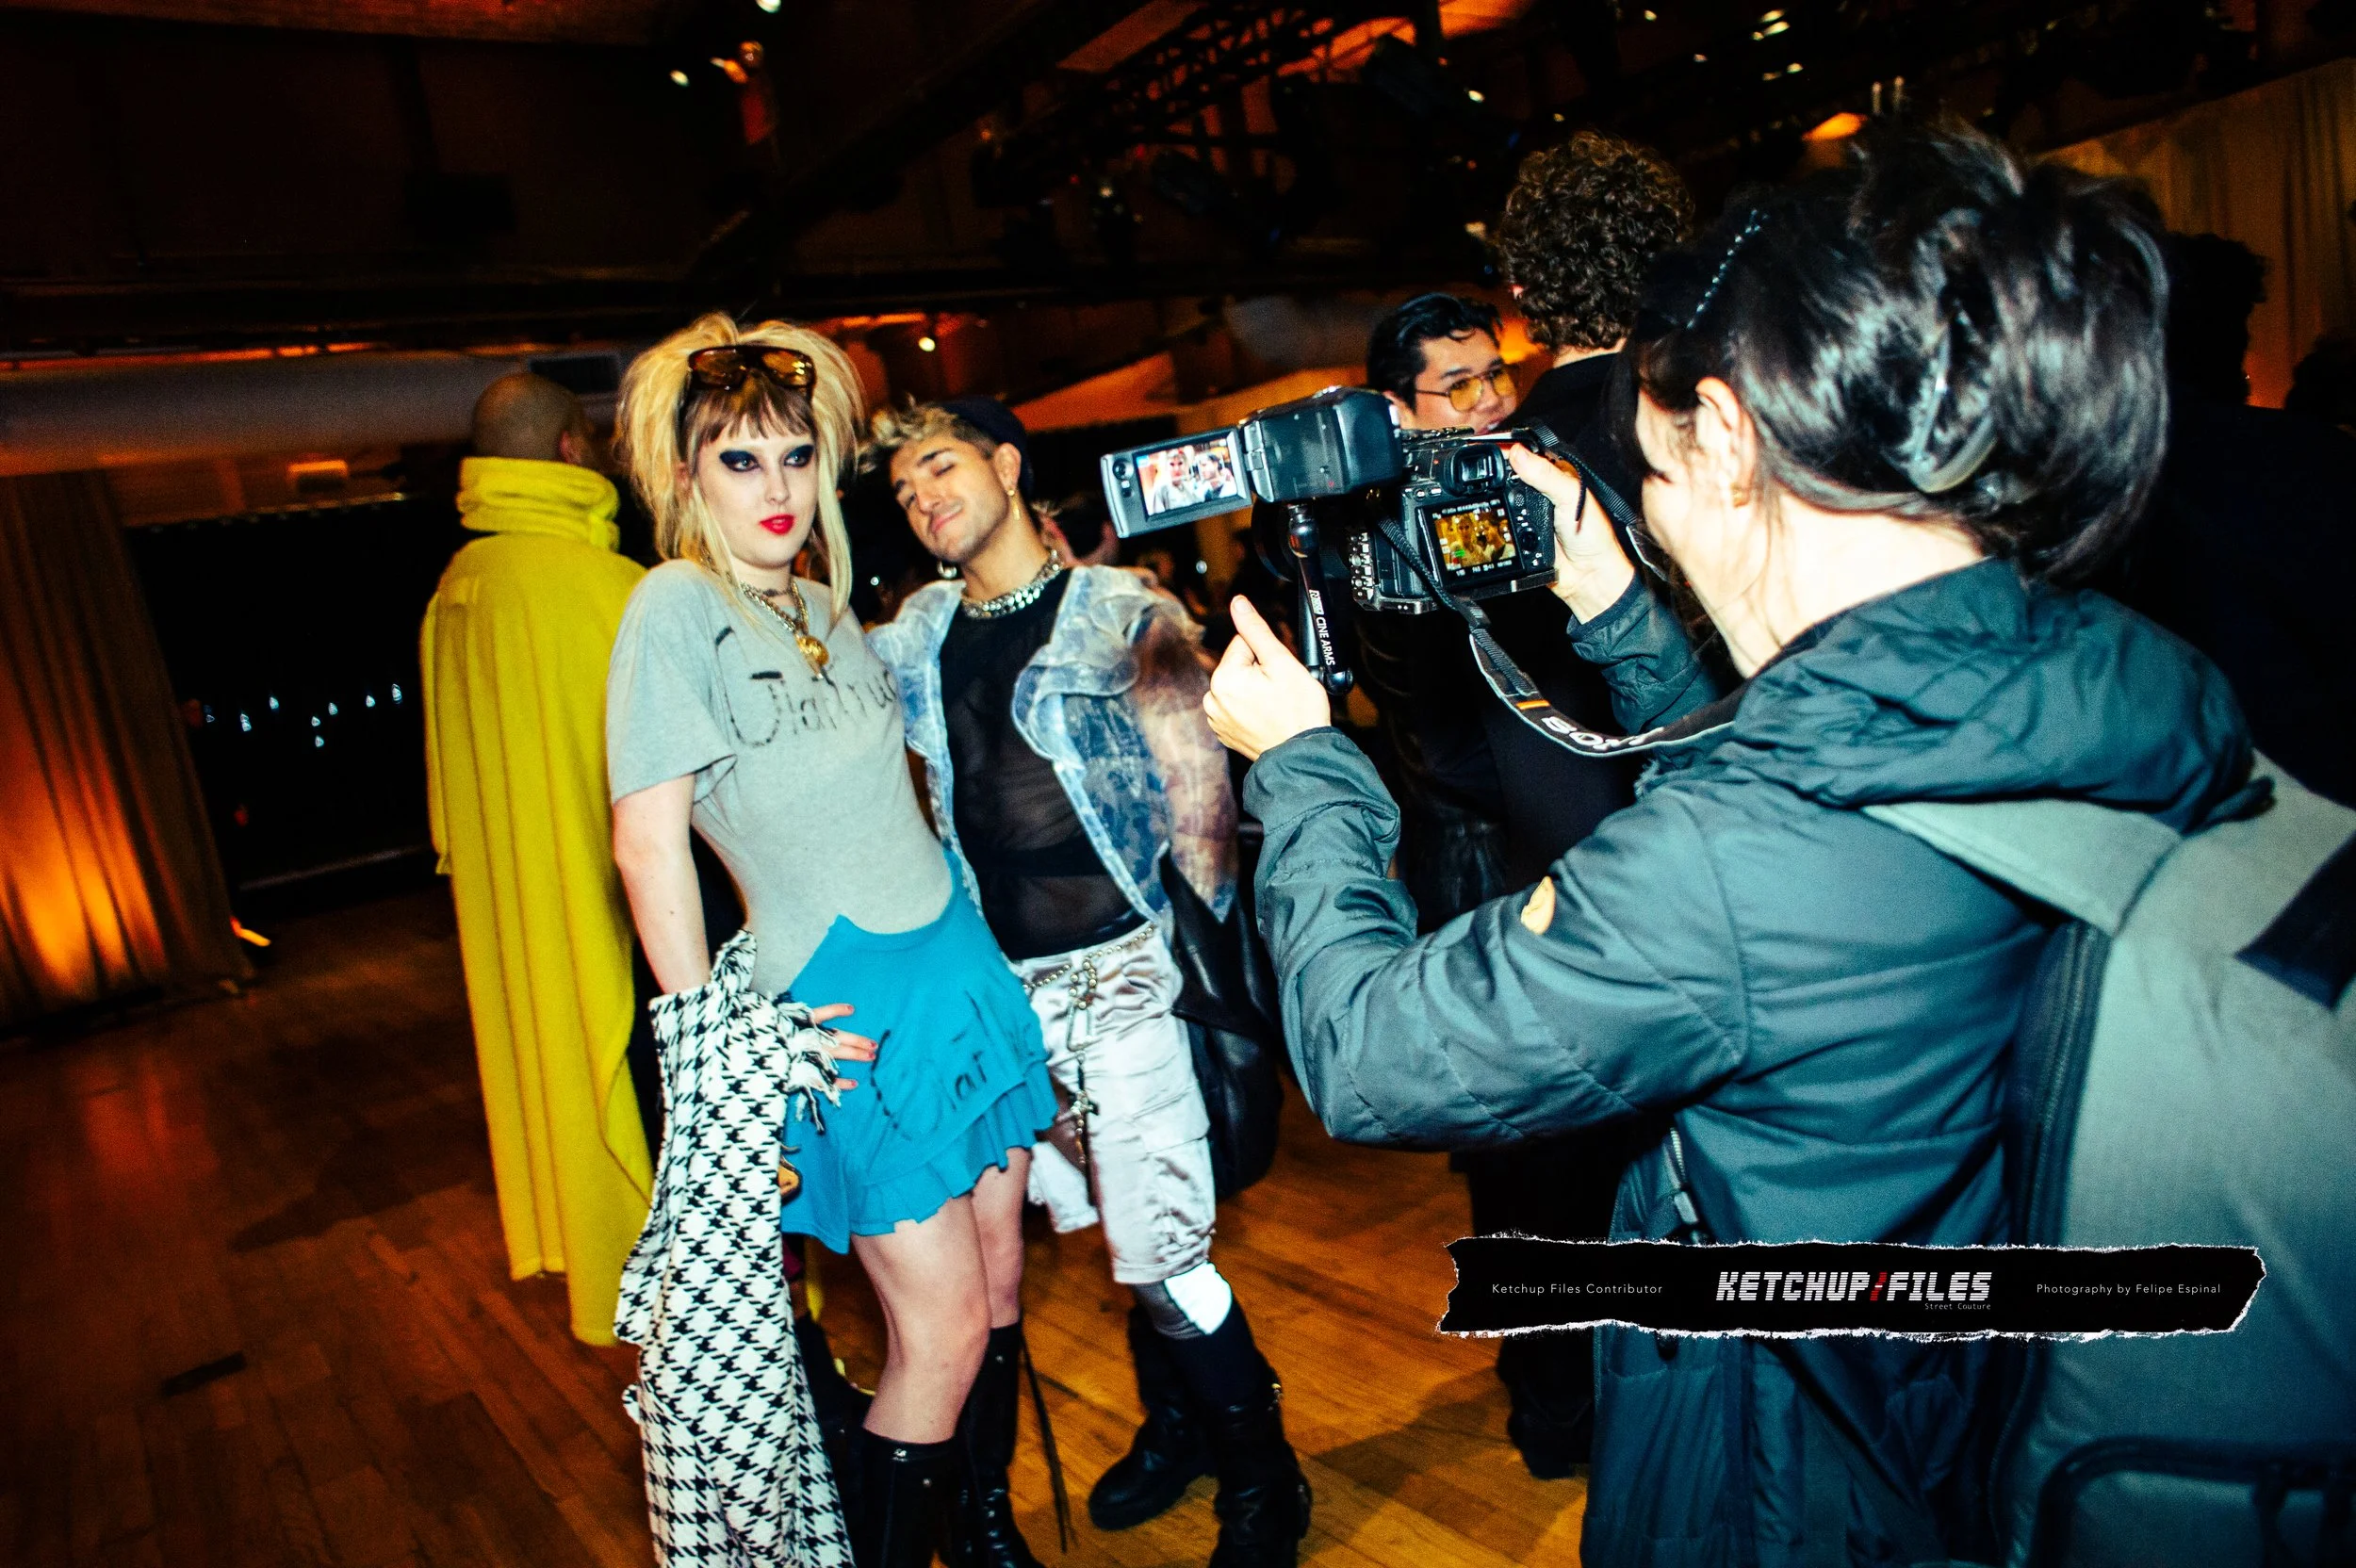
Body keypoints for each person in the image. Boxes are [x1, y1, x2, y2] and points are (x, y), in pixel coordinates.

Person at [1203, 125, 2253, 1565]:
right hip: (1995, 1381)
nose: (1651, 510)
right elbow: (1806, 772)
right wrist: (1620, 613)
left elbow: (1370, 1052)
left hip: (1798, 1465)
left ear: (1730, 440)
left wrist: (1305, 765)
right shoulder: (2132, 669)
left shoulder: (1731, 863)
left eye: (1654, 470)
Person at [603, 316, 1057, 1568]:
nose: (778, 488)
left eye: (796, 457)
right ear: (683, 475)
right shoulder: (674, 608)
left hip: (954, 974)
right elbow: (647, 844)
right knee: (942, 1329)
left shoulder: (824, 604)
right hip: (840, 1010)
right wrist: (713, 1051)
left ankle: (984, 1532)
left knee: (998, 1287)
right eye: (740, 460)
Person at [865, 397, 1312, 1568]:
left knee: (1163, 1248)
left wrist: (1194, 973)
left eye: (941, 467)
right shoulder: (915, 634)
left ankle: (1265, 1473)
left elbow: (1202, 796)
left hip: (1123, 974)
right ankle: (1180, 1425)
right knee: (1120, 1227)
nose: (923, 498)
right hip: (1006, 995)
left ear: (1007, 465)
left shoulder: (1121, 610)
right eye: (904, 488)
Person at [420, 371, 653, 1348]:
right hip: (635, 935)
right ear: (570, 449)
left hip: (532, 929)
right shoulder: (610, 589)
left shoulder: (457, 591)